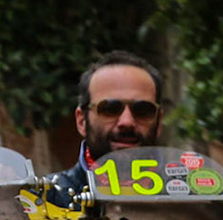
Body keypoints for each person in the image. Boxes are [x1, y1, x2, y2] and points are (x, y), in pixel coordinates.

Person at [51, 51, 167, 194]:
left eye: (142, 110)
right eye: (109, 109)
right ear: (82, 121)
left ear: (159, 121)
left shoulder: (193, 200)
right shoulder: (44, 200)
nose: (127, 122)